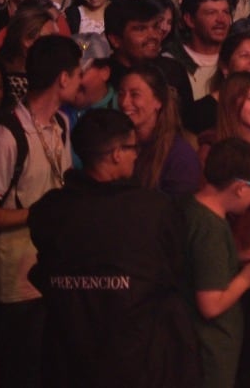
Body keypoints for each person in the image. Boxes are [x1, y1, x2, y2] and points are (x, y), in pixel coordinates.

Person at [28, 109, 200, 388]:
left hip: (68, 358)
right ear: (117, 153)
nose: (136, 155)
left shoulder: (50, 209)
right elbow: (175, 270)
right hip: (137, 359)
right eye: (134, 148)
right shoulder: (153, 209)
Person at [0, 35, 81, 388]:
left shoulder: (60, 124)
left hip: (54, 275)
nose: (81, 81)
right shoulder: (6, 137)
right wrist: (38, 214)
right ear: (63, 78)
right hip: (19, 284)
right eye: (78, 73)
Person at [183, 137, 250, 388]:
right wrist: (246, 278)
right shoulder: (210, 227)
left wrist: (237, 258)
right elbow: (210, 305)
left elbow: (199, 264)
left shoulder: (193, 208)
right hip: (210, 354)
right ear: (239, 188)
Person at [120, 63, 203, 197]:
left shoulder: (180, 156)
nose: (124, 102)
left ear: (158, 101)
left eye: (134, 95)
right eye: (121, 93)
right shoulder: (115, 145)